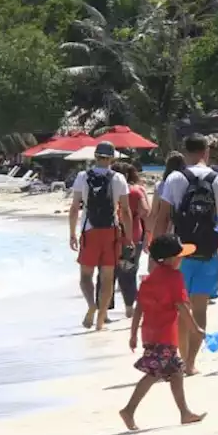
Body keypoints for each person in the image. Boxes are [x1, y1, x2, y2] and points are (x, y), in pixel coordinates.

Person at [153, 134, 218, 375]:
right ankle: (191, 364)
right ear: (206, 152)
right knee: (200, 309)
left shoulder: (176, 178)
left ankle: (179, 360)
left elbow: (163, 217)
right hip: (208, 253)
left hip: (180, 254)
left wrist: (159, 252)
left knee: (181, 309)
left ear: (185, 151)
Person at [120, 235, 207, 431]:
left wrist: (133, 334)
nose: (182, 259)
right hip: (165, 335)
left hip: (149, 334)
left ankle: (185, 413)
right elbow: (181, 306)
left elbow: (139, 308)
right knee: (153, 374)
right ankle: (129, 410)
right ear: (168, 259)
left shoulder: (149, 280)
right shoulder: (175, 278)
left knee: (176, 372)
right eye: (179, 256)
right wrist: (195, 328)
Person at [68, 141, 135, 330]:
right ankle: (100, 320)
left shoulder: (82, 177)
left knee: (85, 276)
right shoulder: (119, 178)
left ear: (95, 156)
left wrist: (72, 233)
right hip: (111, 231)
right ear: (111, 158)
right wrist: (128, 237)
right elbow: (126, 211)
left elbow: (74, 208)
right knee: (107, 277)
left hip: (90, 230)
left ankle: (91, 305)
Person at [115, 163, 150, 319]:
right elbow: (145, 211)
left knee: (116, 272)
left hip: (114, 236)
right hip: (135, 235)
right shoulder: (136, 191)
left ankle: (107, 310)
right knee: (130, 271)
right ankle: (130, 306)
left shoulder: (112, 191)